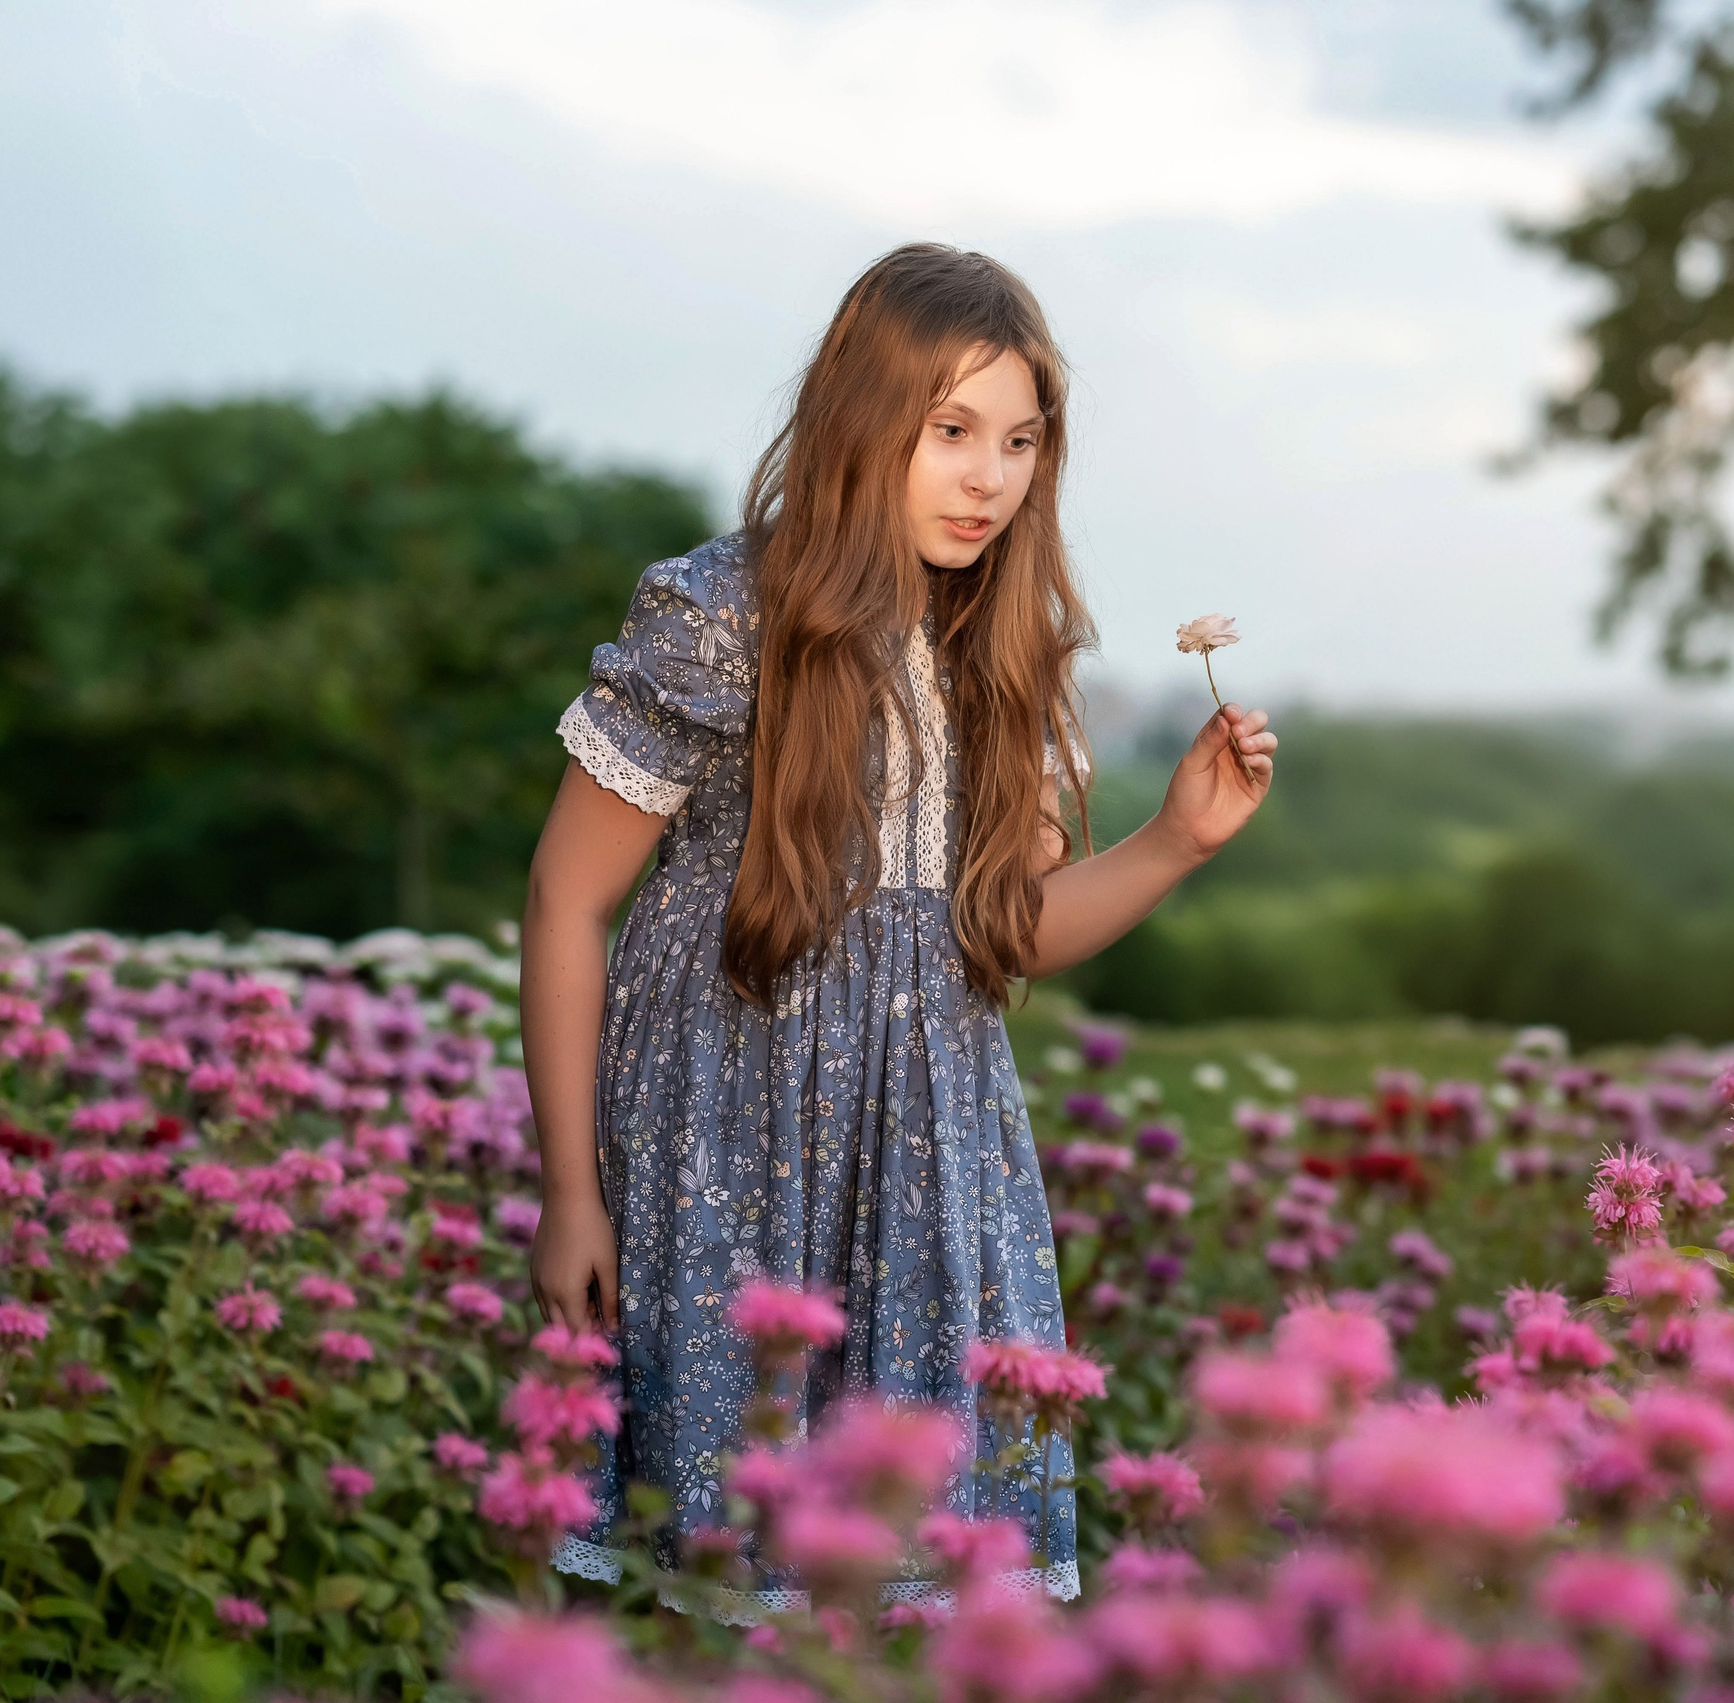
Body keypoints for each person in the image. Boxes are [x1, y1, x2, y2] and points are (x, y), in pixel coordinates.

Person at [516, 243, 1277, 1608]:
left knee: (910, 1592)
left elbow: (1013, 934)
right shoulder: (725, 619)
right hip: (719, 1148)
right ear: (864, 425)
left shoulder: (1010, 649)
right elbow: (569, 900)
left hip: (928, 1176)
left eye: (1022, 442)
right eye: (951, 434)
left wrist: (1175, 843)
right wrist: (575, 1189)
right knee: (705, 1585)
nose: (990, 478)